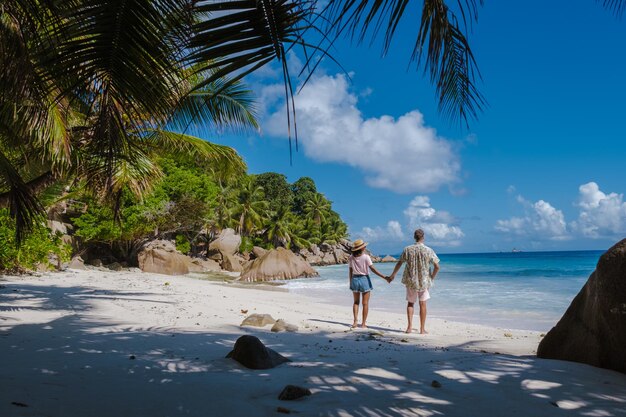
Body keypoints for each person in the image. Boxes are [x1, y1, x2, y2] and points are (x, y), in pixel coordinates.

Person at [388, 229, 440, 334]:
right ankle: (422, 329)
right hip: (424, 281)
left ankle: (409, 328)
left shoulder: (407, 249)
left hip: (411, 279)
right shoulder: (428, 250)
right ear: (423, 237)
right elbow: (437, 266)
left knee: (410, 303)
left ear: (414, 237)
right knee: (423, 304)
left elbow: (399, 263)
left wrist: (392, 275)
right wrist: (431, 278)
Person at [348, 239, 388, 329]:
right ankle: (363, 324)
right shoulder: (366, 257)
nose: (365, 247)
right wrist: (384, 277)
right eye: (364, 246)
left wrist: (351, 281)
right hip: (364, 279)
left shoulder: (351, 257)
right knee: (365, 303)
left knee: (356, 302)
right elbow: (373, 269)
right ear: (362, 248)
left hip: (354, 279)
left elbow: (350, 270)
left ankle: (355, 322)